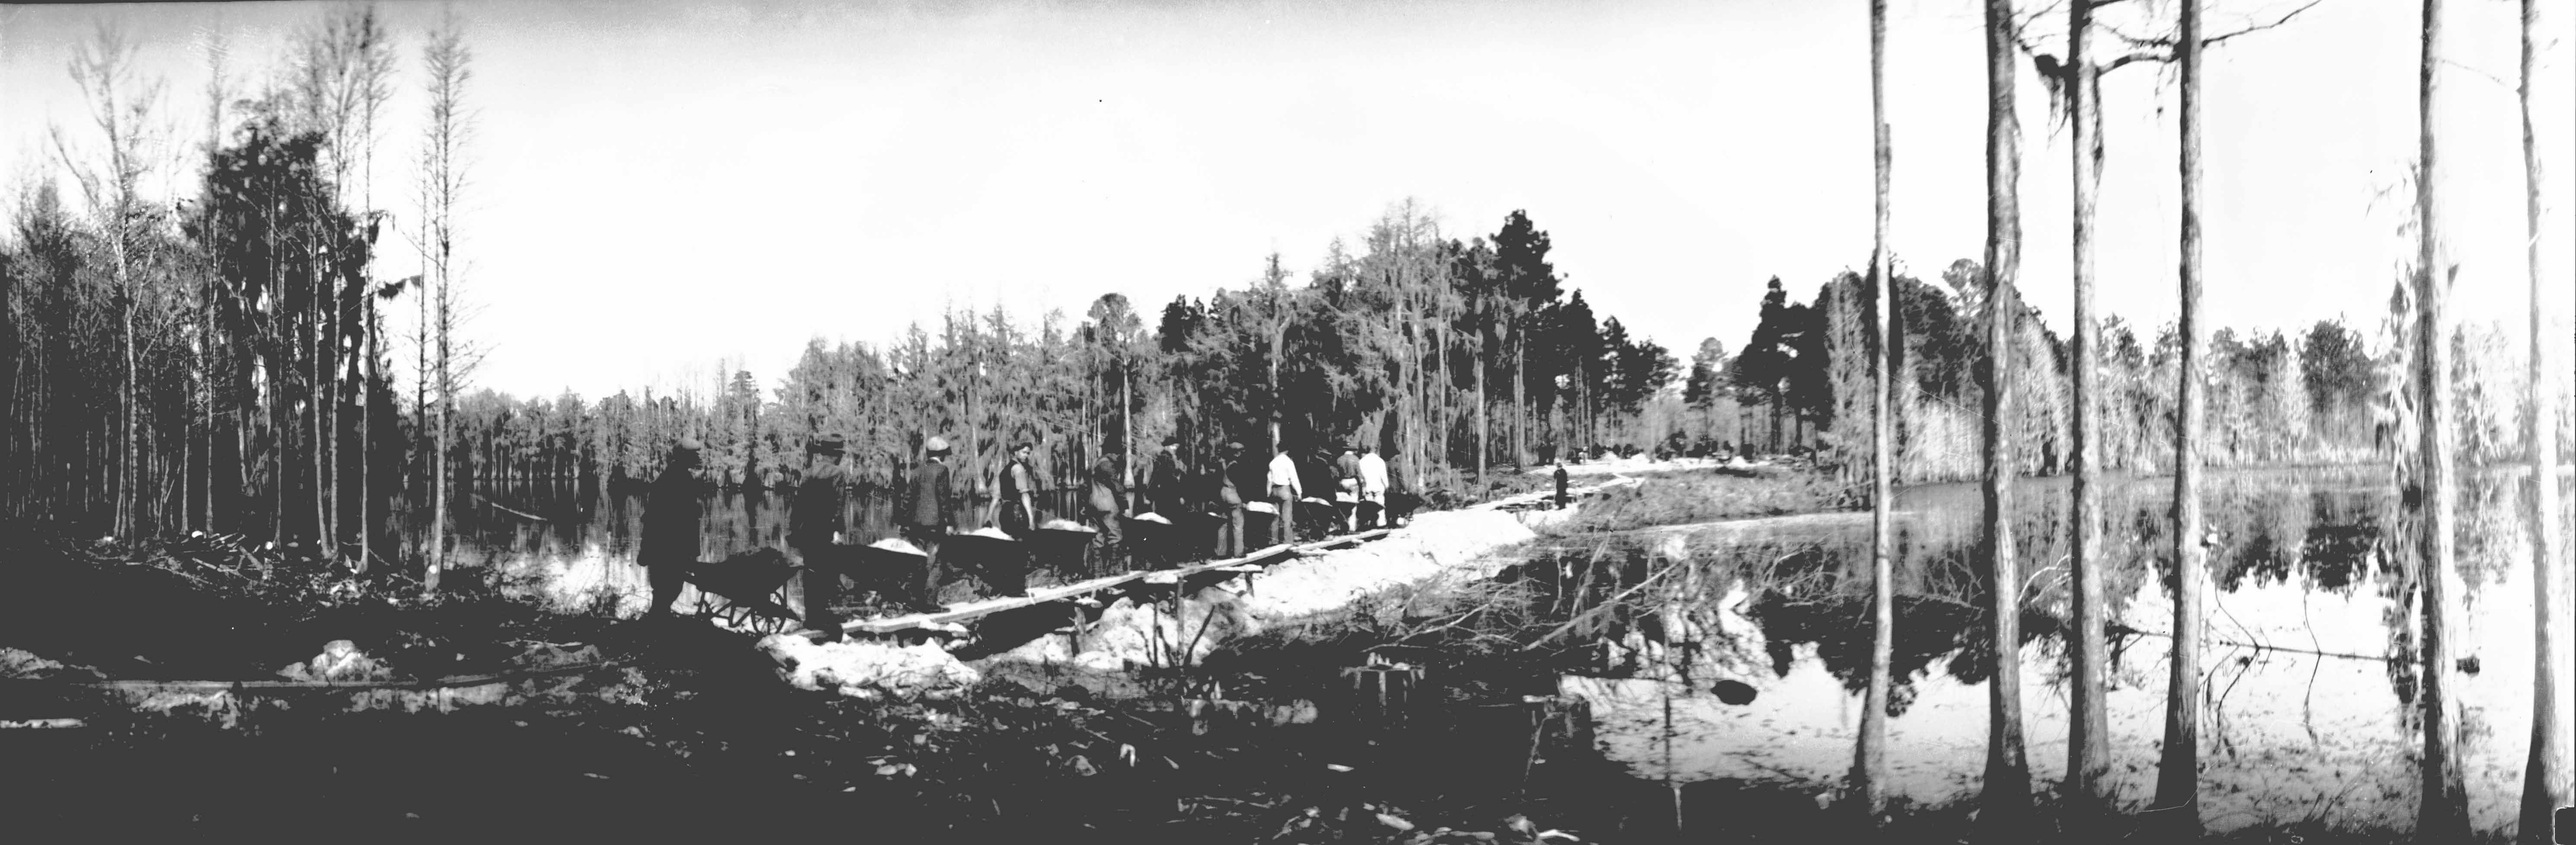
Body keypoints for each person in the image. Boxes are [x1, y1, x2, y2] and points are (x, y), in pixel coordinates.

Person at [788, 434, 850, 640]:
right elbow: (838, 505)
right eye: (840, 454)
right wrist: (837, 532)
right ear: (836, 455)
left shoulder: (809, 473)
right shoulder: (837, 473)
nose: (841, 458)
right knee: (826, 573)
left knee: (810, 572)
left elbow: (798, 504)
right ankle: (823, 618)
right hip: (825, 531)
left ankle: (812, 617)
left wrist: (794, 530)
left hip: (807, 531)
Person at [638, 437, 704, 618]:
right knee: (668, 588)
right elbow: (669, 518)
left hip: (670, 547)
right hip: (670, 547)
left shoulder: (678, 477)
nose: (697, 458)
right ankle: (657, 623)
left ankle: (657, 621)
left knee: (666, 589)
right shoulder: (676, 479)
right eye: (694, 455)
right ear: (684, 456)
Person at [896, 436, 956, 613]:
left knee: (919, 562)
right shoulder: (942, 470)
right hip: (935, 525)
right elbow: (944, 499)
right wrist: (950, 523)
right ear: (943, 454)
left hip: (916, 525)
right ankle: (930, 604)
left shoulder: (917, 470)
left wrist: (903, 522)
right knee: (935, 564)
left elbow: (907, 499)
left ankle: (915, 601)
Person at [1085, 444, 1129, 576]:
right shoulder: (1108, 465)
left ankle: (1097, 572)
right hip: (1108, 506)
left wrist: (1085, 505)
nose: (1119, 457)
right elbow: (1117, 486)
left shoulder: (1094, 463)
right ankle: (1114, 570)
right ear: (1114, 453)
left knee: (1097, 538)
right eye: (1118, 454)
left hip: (1093, 504)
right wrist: (1125, 506)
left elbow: (1085, 486)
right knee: (1116, 536)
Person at [1212, 441, 1250, 558]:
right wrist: (1245, 501)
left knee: (1223, 523)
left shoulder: (1222, 464)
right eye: (1241, 453)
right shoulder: (1236, 466)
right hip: (1232, 494)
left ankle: (1221, 552)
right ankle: (1239, 552)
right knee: (1238, 524)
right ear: (1237, 454)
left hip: (1222, 494)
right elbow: (1241, 484)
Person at [1267, 440, 1302, 546]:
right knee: (1287, 518)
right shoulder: (1288, 462)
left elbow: (1269, 479)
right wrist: (1299, 492)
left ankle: (1274, 541)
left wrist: (1269, 493)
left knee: (1275, 517)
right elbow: (1294, 478)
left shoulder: (1273, 462)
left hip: (1274, 490)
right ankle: (1288, 542)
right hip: (1285, 490)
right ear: (1287, 450)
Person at [1145, 436, 1187, 516]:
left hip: (1166, 494)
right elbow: (1161, 478)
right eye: (1173, 446)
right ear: (1166, 447)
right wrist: (1180, 495)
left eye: (1176, 446)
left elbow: (1155, 478)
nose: (1175, 448)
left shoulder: (1169, 459)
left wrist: (1149, 497)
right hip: (1168, 495)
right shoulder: (1165, 459)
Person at [1356, 443, 1388, 530]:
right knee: (1381, 504)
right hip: (1378, 486)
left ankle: (1370, 523)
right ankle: (1381, 523)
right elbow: (1383, 475)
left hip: (1368, 486)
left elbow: (1361, 476)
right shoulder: (1380, 461)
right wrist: (1386, 485)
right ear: (1376, 450)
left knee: (1369, 506)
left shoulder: (1362, 461)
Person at [1332, 443, 1363, 533]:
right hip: (1353, 482)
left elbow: (1337, 474)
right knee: (1353, 506)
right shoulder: (1356, 459)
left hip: (1343, 482)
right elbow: (1359, 474)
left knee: (1343, 504)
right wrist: (1362, 483)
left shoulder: (1339, 459)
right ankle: (1352, 528)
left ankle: (1343, 526)